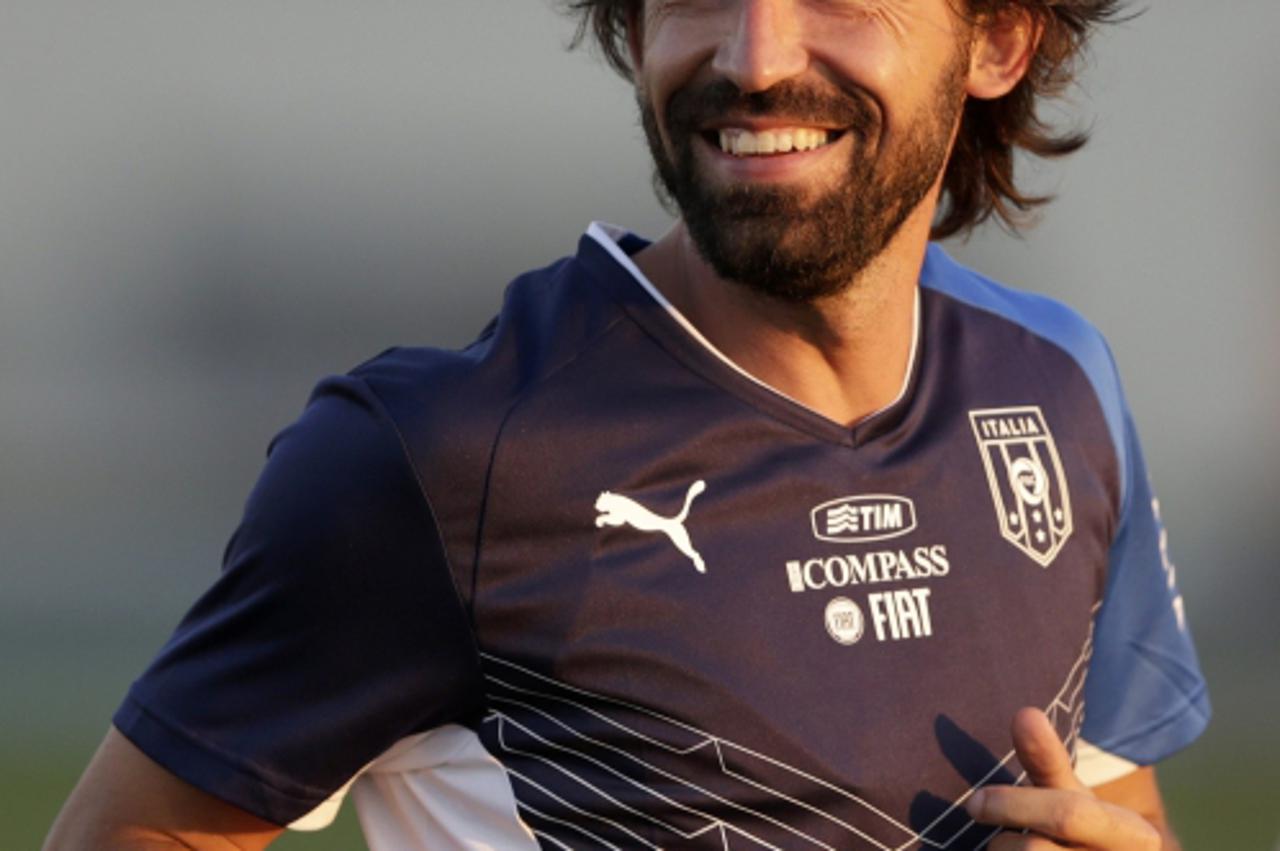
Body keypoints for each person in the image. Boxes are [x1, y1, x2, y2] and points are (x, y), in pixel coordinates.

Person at [46, 0, 1210, 848]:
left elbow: (1114, 808)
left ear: (998, 36)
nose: (753, 56)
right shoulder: (437, 454)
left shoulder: (1059, 384)